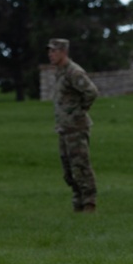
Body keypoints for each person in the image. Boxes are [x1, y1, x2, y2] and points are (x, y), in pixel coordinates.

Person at [47, 38, 99, 213]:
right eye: (50, 51)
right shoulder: (60, 72)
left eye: (54, 51)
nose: (50, 54)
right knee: (68, 170)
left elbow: (91, 92)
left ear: (63, 52)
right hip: (64, 127)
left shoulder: (73, 72)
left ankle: (89, 203)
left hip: (76, 127)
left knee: (80, 166)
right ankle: (78, 202)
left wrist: (80, 110)